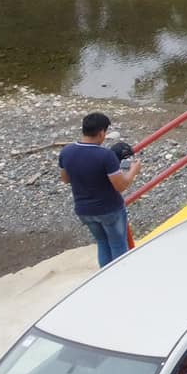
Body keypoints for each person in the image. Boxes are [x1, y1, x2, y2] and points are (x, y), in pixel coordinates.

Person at [58, 112, 140, 267]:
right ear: (102, 132)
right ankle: (122, 281)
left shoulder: (66, 152)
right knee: (118, 245)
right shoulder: (105, 155)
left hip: (84, 210)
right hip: (109, 209)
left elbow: (65, 179)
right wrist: (133, 170)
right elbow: (121, 186)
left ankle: (105, 281)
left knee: (102, 243)